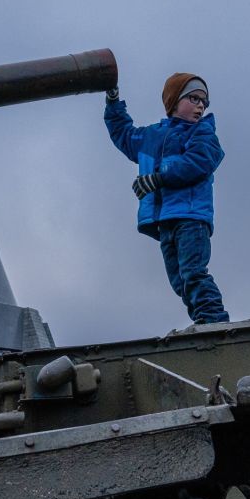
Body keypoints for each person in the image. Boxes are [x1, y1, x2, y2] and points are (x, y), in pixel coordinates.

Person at [105, 75, 230, 324]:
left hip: (192, 217)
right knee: (180, 281)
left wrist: (159, 178)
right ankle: (202, 322)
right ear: (174, 101)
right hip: (165, 221)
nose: (200, 106)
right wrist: (113, 100)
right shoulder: (152, 137)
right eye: (194, 99)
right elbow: (124, 134)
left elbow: (197, 163)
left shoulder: (204, 135)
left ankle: (215, 322)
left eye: (204, 102)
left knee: (193, 273)